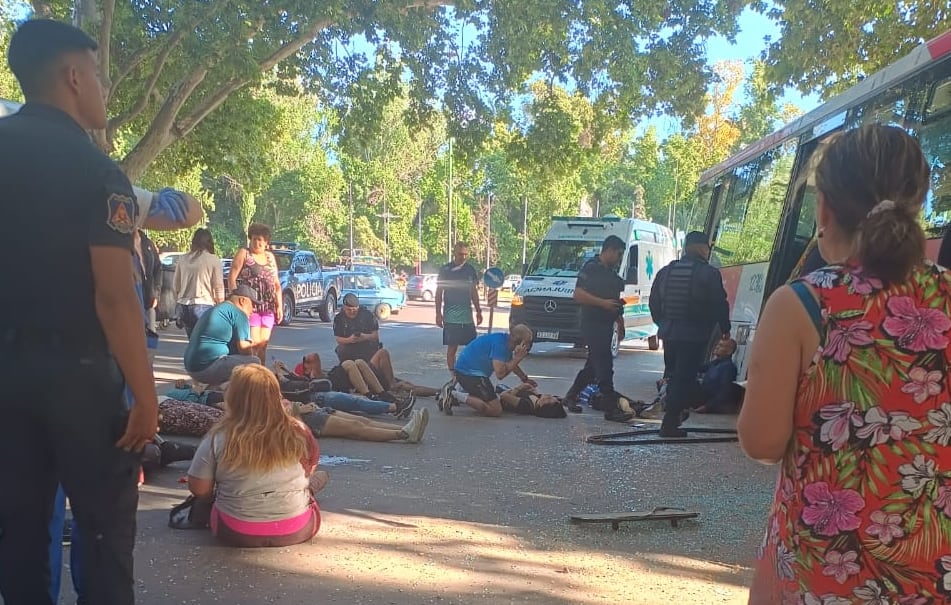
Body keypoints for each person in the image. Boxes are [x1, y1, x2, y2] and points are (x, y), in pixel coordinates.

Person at [739, 124, 951, 603]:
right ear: (918, 203)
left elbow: (763, 442)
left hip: (821, 572)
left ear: (825, 209)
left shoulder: (799, 305)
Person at [0, 19, 156, 605]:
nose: (102, 90)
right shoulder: (97, 172)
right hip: (81, 377)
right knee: (102, 533)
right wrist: (144, 395)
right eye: (97, 76)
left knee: (17, 533)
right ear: (72, 76)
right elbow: (114, 298)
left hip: (6, 375)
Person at [187, 365, 323, 547]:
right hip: (298, 529)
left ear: (233, 397)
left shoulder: (218, 436)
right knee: (317, 480)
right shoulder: (299, 430)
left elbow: (199, 488)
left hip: (234, 530)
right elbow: (310, 469)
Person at [649, 231, 731, 437]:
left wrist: (663, 323)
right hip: (693, 335)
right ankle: (669, 424)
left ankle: (675, 415)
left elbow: (653, 302)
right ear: (702, 248)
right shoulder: (709, 273)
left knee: (673, 374)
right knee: (683, 378)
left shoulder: (666, 271)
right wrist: (725, 328)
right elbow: (719, 303)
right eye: (707, 248)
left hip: (669, 333)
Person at [562, 235, 633, 423]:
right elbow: (578, 294)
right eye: (618, 254)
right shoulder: (591, 268)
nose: (619, 258)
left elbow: (615, 300)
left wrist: (620, 321)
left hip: (607, 323)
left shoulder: (611, 273)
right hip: (592, 323)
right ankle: (611, 408)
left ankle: (571, 395)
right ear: (608, 250)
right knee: (604, 364)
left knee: (593, 366)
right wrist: (602, 304)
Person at [438, 324, 535, 417]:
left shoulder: (504, 341)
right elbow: (500, 374)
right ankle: (454, 393)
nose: (528, 347)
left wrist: (524, 378)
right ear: (517, 341)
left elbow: (510, 364)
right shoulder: (500, 345)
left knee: (487, 400)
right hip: (470, 374)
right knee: (495, 410)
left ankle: (459, 389)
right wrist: (518, 358)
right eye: (526, 343)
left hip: (466, 371)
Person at [183, 286, 261, 386]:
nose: (254, 310)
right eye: (253, 304)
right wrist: (254, 349)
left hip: (191, 366)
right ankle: (239, 396)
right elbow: (244, 349)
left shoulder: (218, 308)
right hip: (207, 367)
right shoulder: (239, 314)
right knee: (255, 363)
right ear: (242, 301)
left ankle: (218, 389)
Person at [228, 223, 283, 363]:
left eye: (260, 240)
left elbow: (276, 283)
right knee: (254, 343)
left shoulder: (270, 257)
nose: (256, 243)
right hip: (250, 307)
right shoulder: (244, 254)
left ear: (266, 242)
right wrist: (235, 298)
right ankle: (251, 374)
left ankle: (261, 373)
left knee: (263, 344)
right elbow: (232, 276)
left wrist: (279, 305)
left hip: (268, 307)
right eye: (254, 239)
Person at [435, 242, 483, 373]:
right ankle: (453, 374)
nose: (463, 257)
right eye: (461, 254)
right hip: (451, 316)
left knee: (473, 347)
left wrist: (479, 311)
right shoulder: (445, 270)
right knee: (452, 348)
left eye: (466, 254)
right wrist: (438, 314)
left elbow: (474, 292)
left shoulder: (470, 270)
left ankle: (470, 372)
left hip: (467, 316)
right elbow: (439, 293)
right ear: (454, 253)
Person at [174, 228, 225, 337]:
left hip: (184, 305)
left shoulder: (182, 259)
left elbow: (176, 285)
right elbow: (218, 287)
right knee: (204, 342)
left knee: (192, 340)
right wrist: (221, 306)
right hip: (204, 304)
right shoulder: (213, 259)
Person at [693, 338, 740, 414]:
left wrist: (707, 407)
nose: (717, 347)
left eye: (721, 346)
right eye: (718, 344)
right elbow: (698, 368)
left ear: (729, 351)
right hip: (703, 396)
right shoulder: (714, 363)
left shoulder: (729, 367)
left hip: (710, 401)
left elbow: (724, 392)